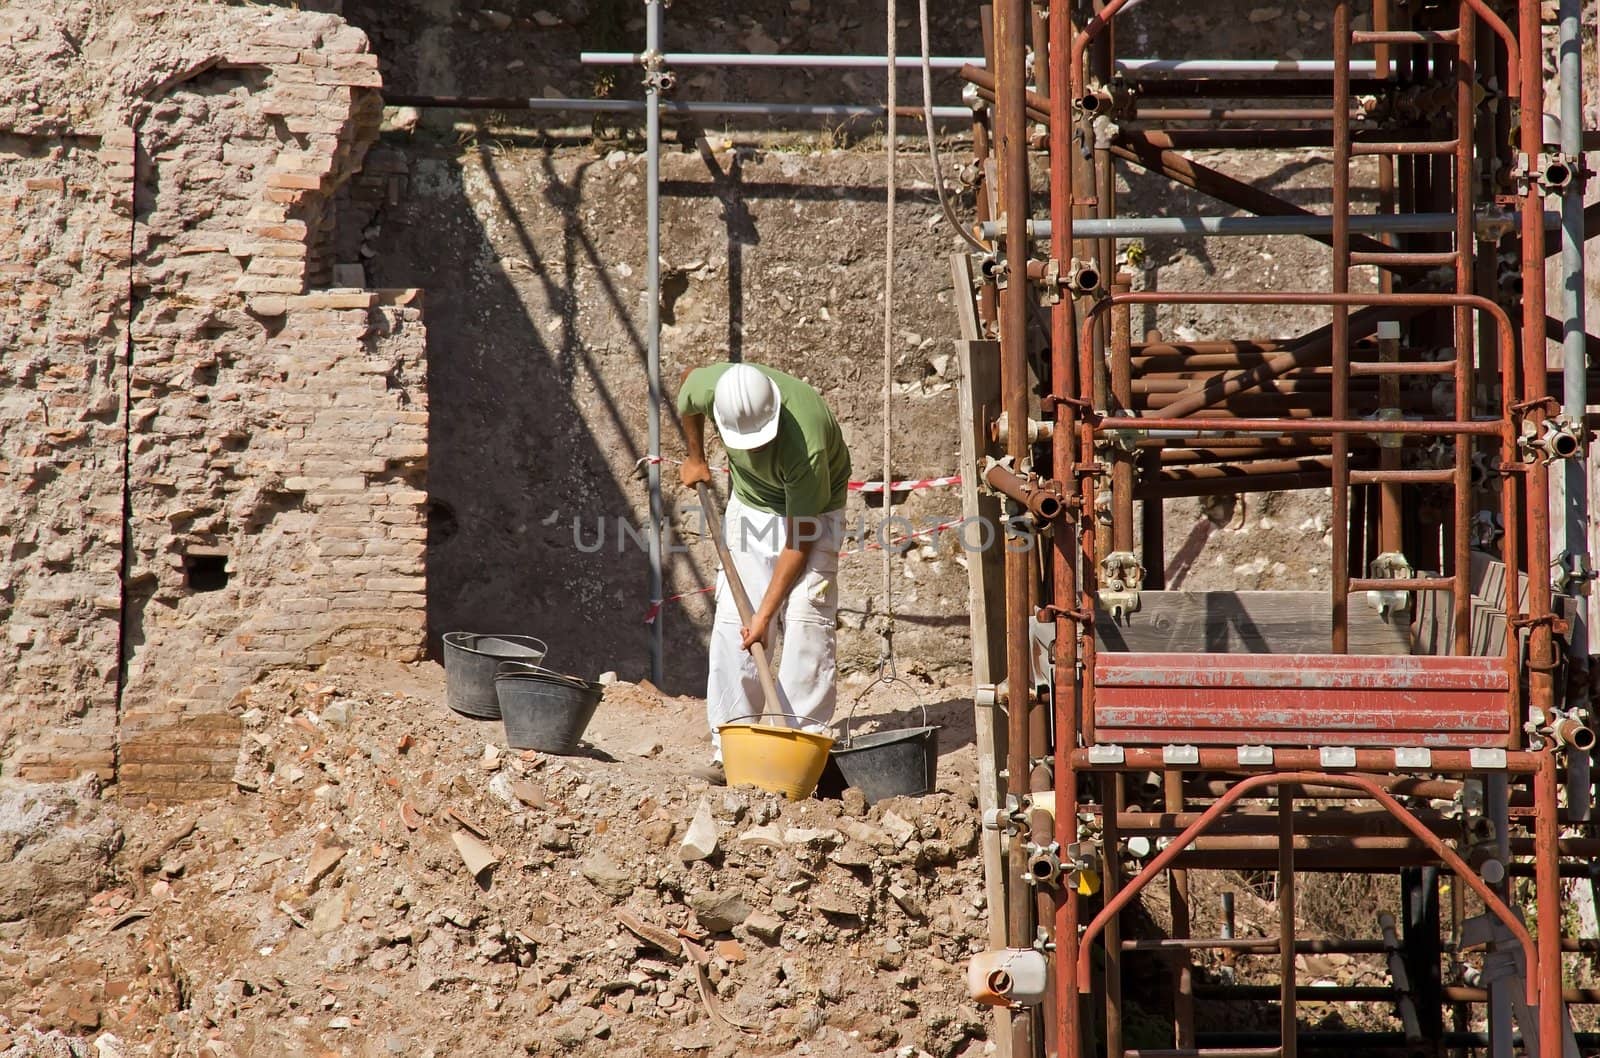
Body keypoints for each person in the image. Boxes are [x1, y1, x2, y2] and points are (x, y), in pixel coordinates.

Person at [677, 362, 852, 785]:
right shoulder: (712, 388)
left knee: (806, 621)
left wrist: (765, 614)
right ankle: (731, 750)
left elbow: (799, 542)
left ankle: (800, 750)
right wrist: (695, 458)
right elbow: (686, 400)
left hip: (814, 513)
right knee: (732, 629)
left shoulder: (804, 441)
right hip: (752, 506)